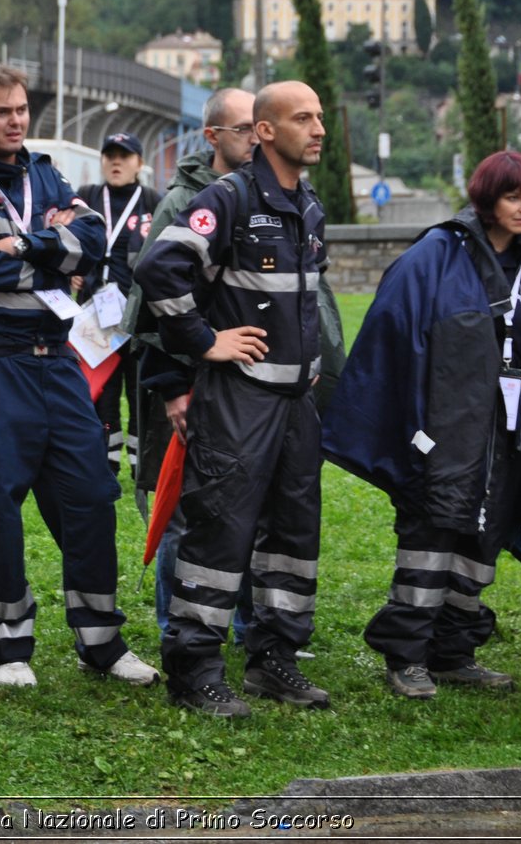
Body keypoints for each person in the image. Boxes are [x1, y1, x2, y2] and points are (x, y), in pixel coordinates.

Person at [0, 64, 159, 689]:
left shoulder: (45, 172)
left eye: (21, 110)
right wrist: (50, 250)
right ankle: (6, 646)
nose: (16, 120)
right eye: (1, 111)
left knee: (91, 498)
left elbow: (94, 243)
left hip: (57, 357)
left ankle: (100, 641)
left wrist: (22, 246)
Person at [323, 150, 521, 699]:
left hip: (507, 436)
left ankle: (453, 653)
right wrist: (411, 429)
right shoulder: (435, 256)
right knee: (430, 539)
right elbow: (391, 338)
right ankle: (406, 657)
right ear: (486, 199)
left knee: (480, 546)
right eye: (513, 197)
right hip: (442, 434)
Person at [133, 80, 330, 717]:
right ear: (265, 131)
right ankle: (194, 671)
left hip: (296, 407)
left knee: (292, 538)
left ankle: (275, 660)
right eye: (303, 118)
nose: (319, 128)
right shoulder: (230, 198)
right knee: (220, 536)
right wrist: (203, 339)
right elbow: (159, 268)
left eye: (320, 117)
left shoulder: (309, 205)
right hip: (240, 404)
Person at [123, 87, 258, 643]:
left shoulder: (270, 195)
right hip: (189, 379)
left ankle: (250, 626)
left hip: (247, 382)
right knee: (182, 509)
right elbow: (152, 301)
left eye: (261, 126)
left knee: (249, 505)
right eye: (246, 127)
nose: (258, 136)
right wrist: (174, 387)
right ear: (214, 137)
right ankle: (174, 623)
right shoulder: (184, 204)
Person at [74, 133, 161, 477]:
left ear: (139, 163)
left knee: (139, 389)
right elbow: (67, 242)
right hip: (97, 314)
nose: (116, 162)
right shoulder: (87, 198)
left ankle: (142, 466)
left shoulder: (154, 201)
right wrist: (73, 271)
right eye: (109, 155)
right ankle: (106, 461)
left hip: (139, 316)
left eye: (124, 156)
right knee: (103, 390)